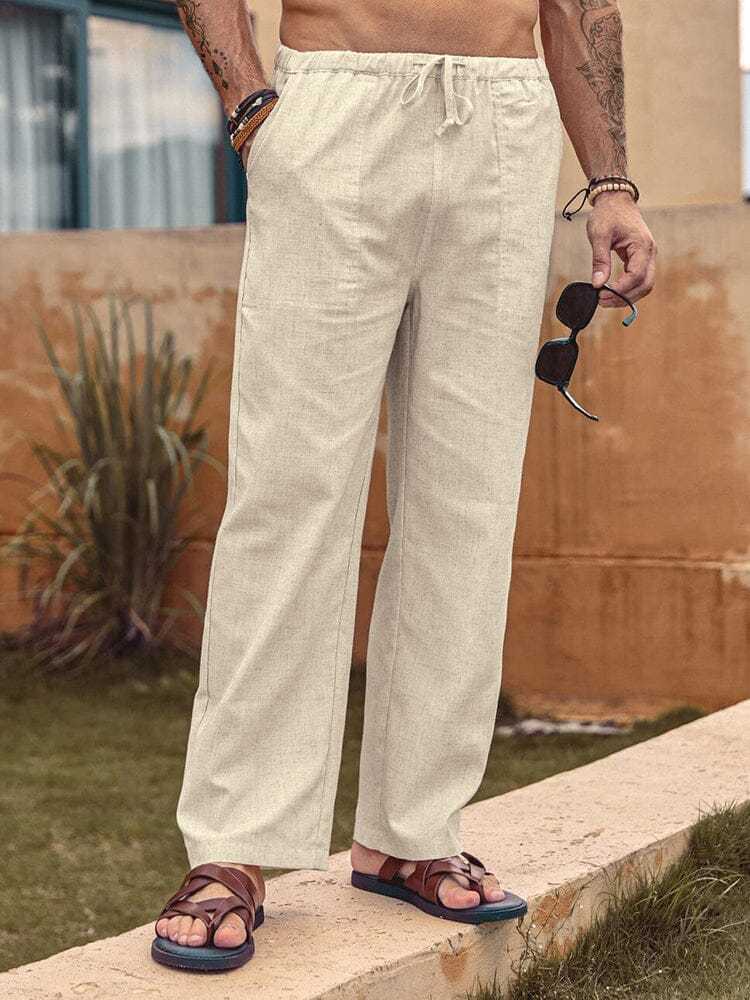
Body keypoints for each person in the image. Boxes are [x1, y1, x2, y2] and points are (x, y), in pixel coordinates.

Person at [152, 0, 656, 972]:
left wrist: (611, 184)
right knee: (290, 491)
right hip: (336, 106)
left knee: (469, 497)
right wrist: (252, 107)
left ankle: (411, 829)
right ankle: (235, 843)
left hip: (505, 123)